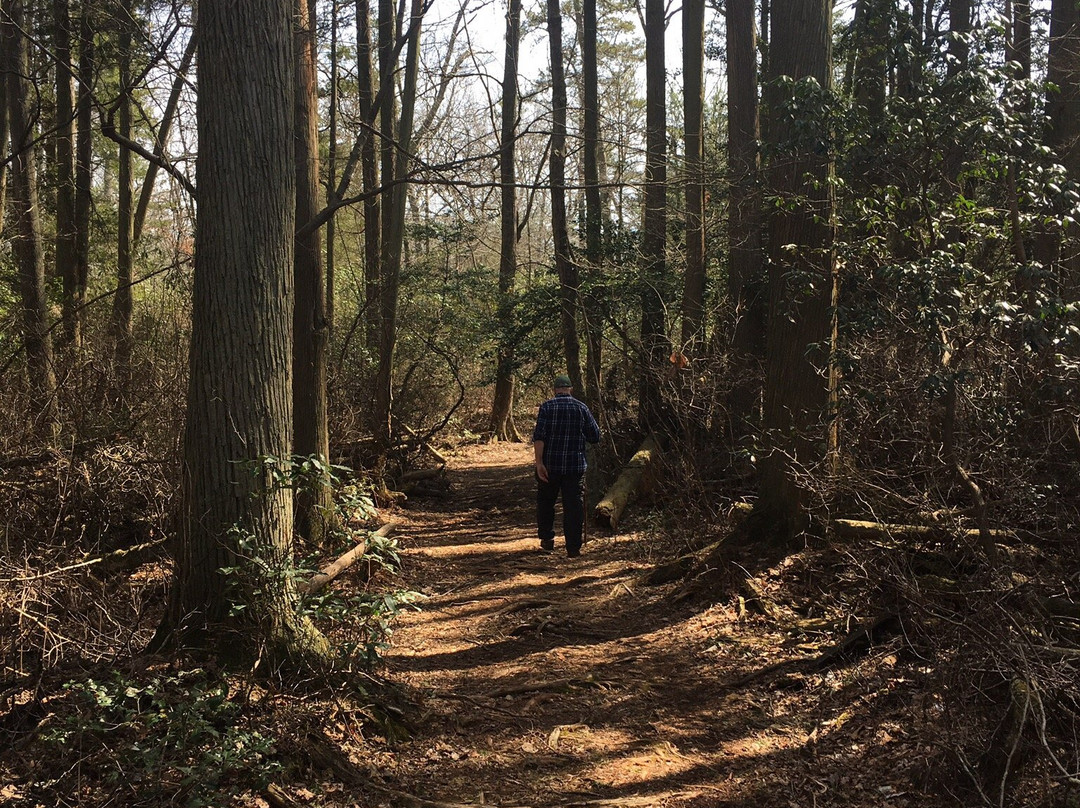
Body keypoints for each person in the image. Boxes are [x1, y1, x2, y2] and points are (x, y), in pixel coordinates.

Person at [532, 374, 601, 557]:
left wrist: (539, 463)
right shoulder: (581, 408)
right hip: (575, 467)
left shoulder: (547, 407)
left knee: (546, 502)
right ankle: (573, 547)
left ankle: (547, 539)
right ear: (570, 389)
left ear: (555, 390)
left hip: (550, 466)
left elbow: (539, 437)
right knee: (573, 506)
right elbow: (595, 436)